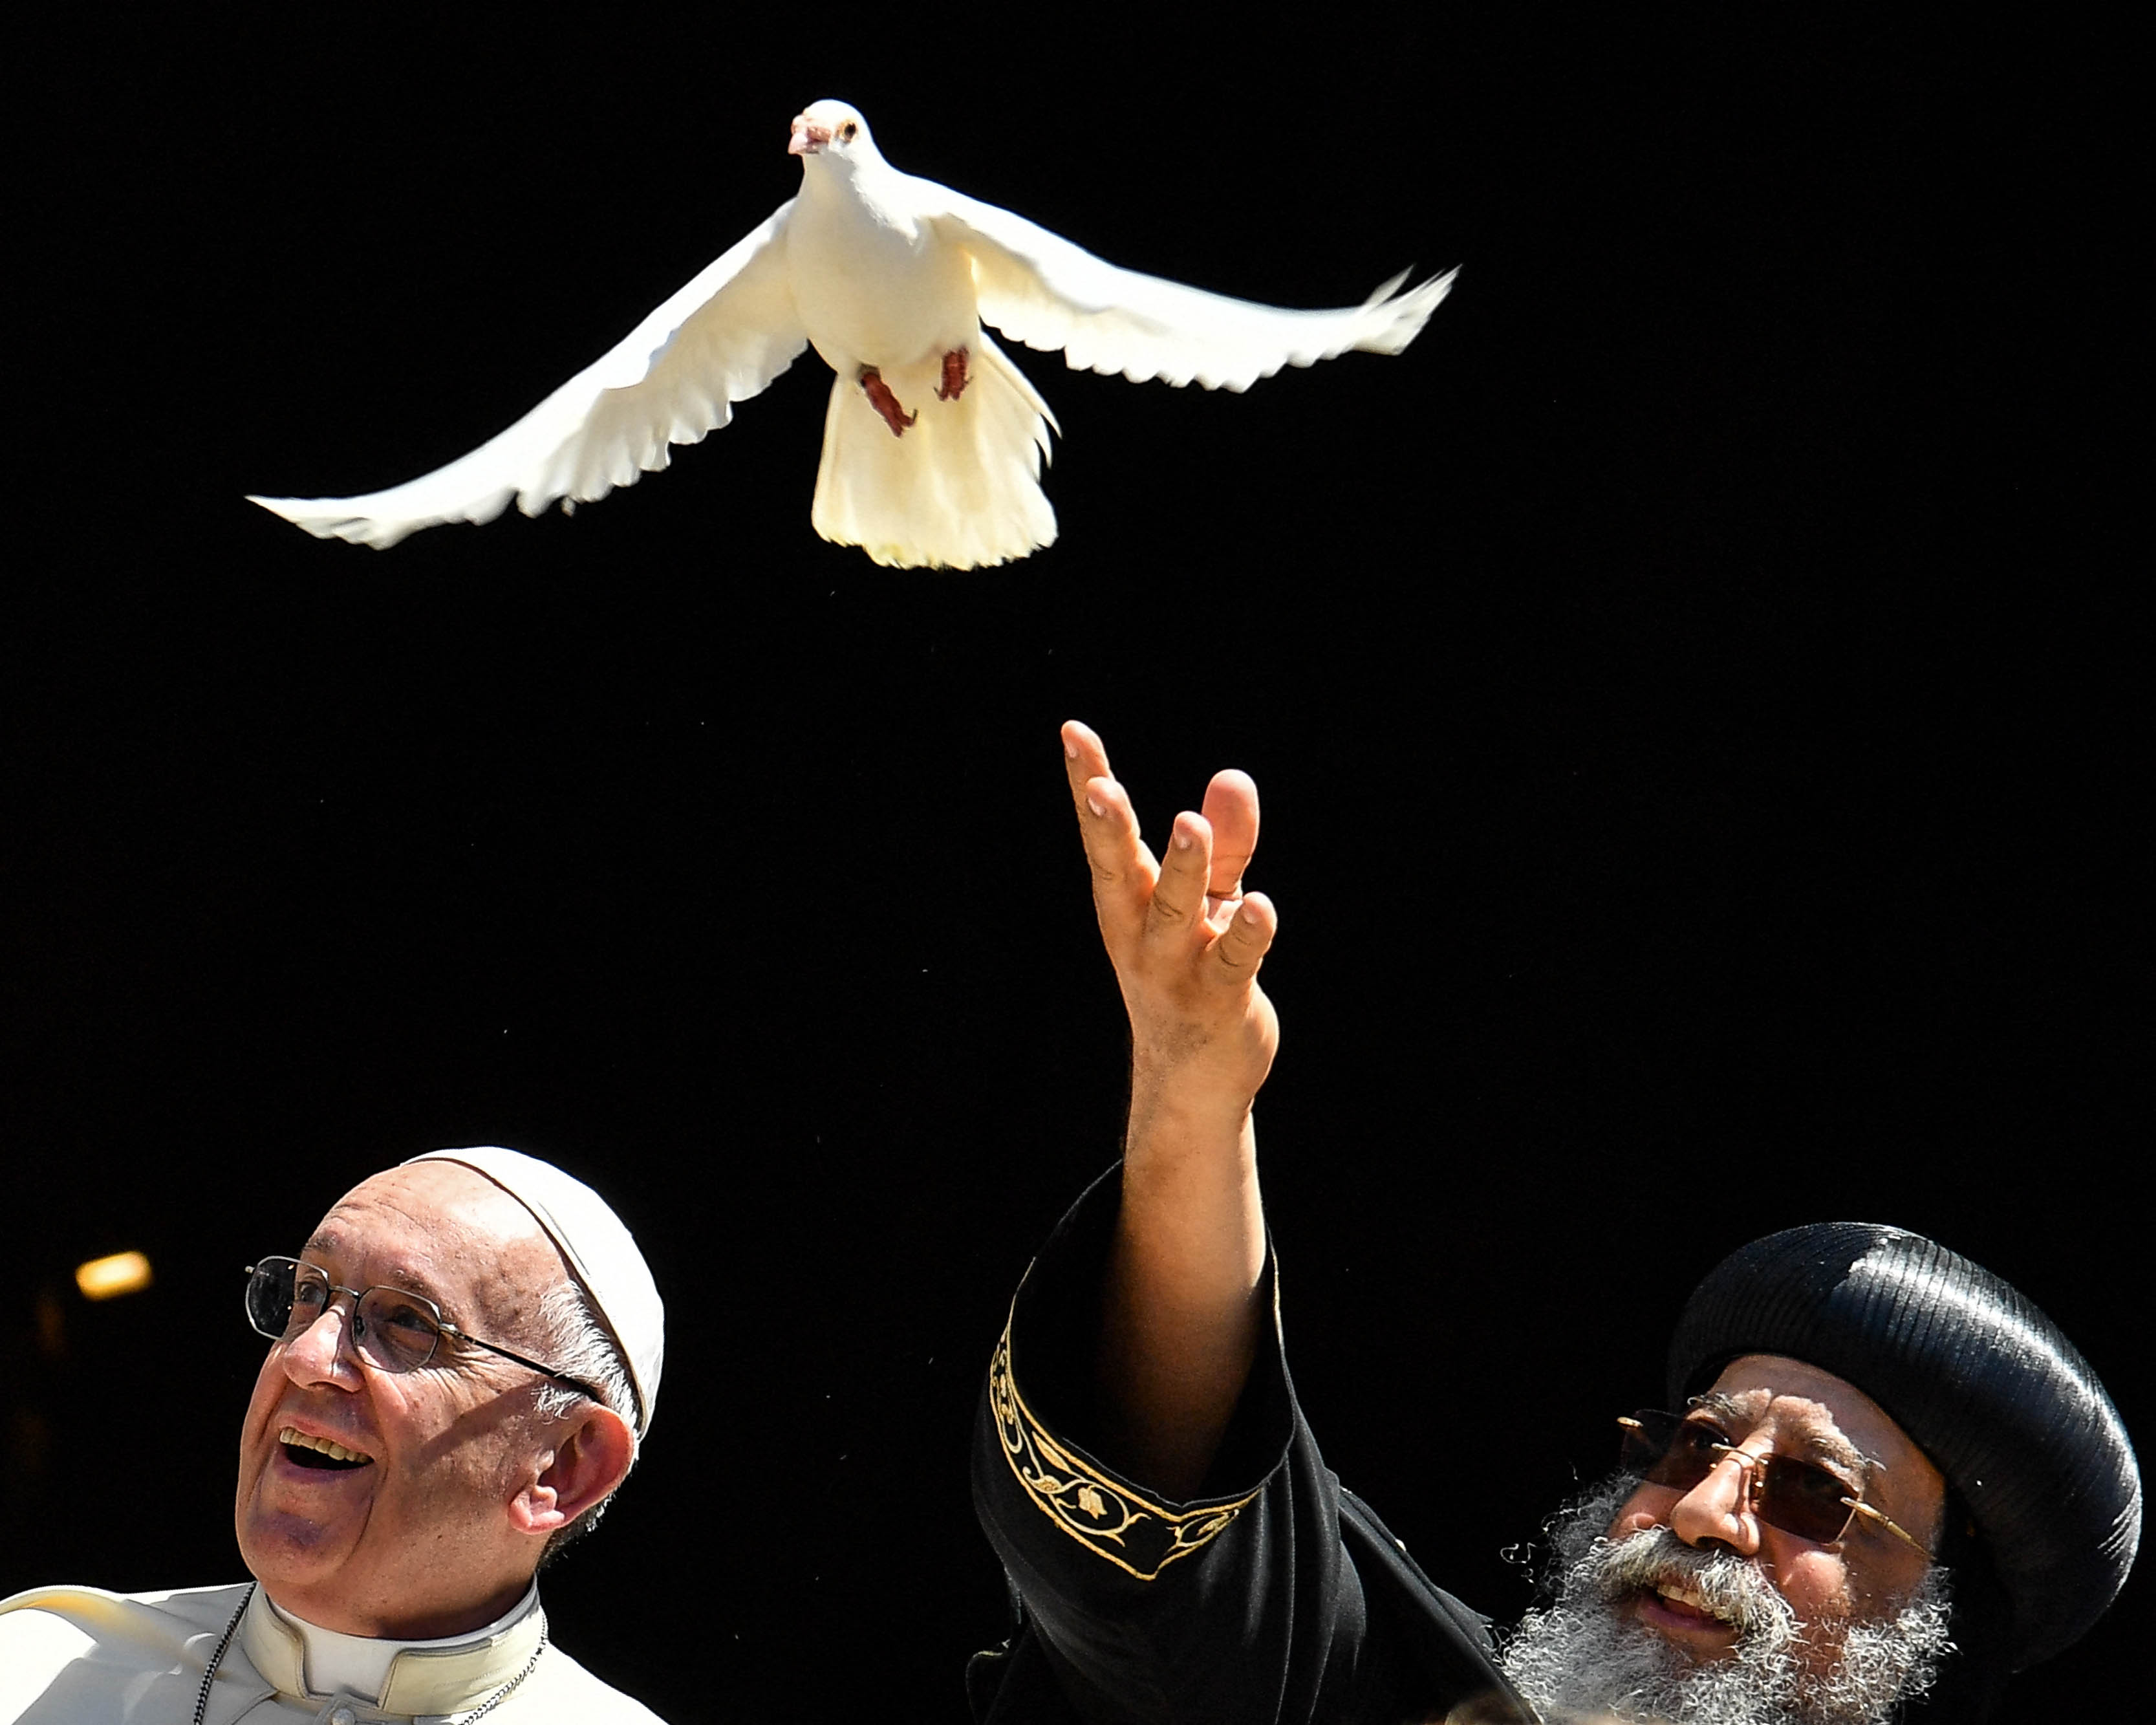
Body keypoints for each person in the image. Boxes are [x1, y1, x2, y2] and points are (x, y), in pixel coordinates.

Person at [967, 722, 2140, 1724]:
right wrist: (1188, 1098)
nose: (1693, 1512)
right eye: (1692, 1443)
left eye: (1809, 1495)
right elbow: (1167, 1530)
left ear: (1931, 1642)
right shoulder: (1391, 1690)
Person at [0, 1146, 671, 1724]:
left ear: (564, 1467)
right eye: (310, 1295)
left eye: (409, 1321)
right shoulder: (34, 1674)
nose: (304, 1357)